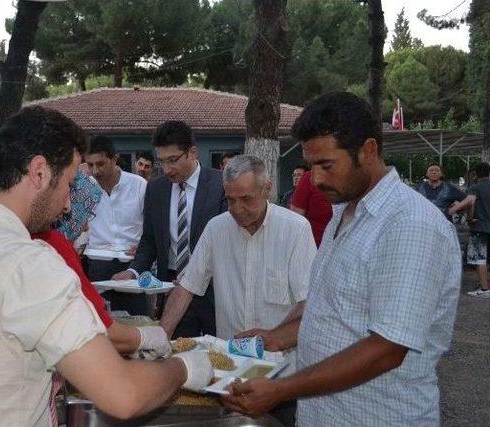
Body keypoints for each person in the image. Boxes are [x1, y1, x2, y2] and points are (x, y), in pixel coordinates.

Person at [0, 106, 212, 426]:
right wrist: (184, 368)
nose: (69, 205)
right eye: (69, 184)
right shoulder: (26, 262)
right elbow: (123, 394)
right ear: (39, 173)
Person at [223, 92, 461, 426]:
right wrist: (276, 337)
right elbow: (333, 310)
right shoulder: (345, 211)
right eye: (310, 167)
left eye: (326, 165)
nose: (315, 179)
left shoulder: (410, 225)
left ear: (368, 151)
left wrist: (281, 390)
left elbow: (387, 348)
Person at [160, 155, 316, 368]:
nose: (237, 209)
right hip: (230, 364)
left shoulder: (296, 229)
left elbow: (308, 301)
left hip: (280, 366)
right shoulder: (216, 228)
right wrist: (161, 337)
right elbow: (187, 288)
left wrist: (274, 337)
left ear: (267, 189)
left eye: (246, 199)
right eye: (230, 200)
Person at [113, 120, 226, 338]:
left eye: (172, 160)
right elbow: (149, 240)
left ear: (192, 152)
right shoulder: (156, 189)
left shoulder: (219, 185)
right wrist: (133, 271)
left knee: (218, 358)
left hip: (214, 290)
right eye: (161, 162)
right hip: (171, 288)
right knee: (178, 356)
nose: (166, 169)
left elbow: (226, 242)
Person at [85, 135, 149, 314]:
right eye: (90, 165)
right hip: (97, 263)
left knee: (137, 321)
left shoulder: (139, 185)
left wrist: (142, 247)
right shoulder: (85, 188)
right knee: (102, 324)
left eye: (100, 164)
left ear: (114, 159)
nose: (95, 171)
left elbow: (151, 227)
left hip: (131, 264)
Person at [449, 162, 490, 298]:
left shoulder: (475, 187)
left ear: (475, 173)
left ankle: (484, 290)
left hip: (480, 227)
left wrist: (465, 215)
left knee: (479, 259)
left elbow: (470, 201)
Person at [290, 168, 332, 247]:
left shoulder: (354, 180)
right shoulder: (309, 178)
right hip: (313, 248)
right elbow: (295, 220)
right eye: (294, 175)